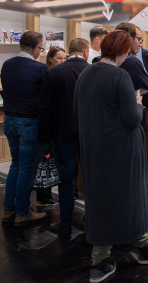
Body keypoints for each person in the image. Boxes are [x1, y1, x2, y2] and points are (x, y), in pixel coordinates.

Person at [75, 30, 148, 282]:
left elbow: (78, 110)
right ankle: (141, 248)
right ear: (122, 50)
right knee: (131, 197)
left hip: (94, 150)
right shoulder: (119, 76)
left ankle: (101, 257)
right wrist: (138, 102)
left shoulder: (87, 72)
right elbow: (132, 118)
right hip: (122, 150)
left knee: (101, 200)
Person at [37, 38, 89, 238]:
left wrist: (44, 137)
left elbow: (45, 108)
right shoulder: (93, 71)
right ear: (85, 52)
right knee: (91, 179)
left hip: (62, 134)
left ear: (69, 52)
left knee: (66, 181)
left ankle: (65, 221)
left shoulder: (53, 73)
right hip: (88, 135)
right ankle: (92, 220)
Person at [1, 31, 48, 226]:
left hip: (9, 119)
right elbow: (46, 98)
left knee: (16, 164)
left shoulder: (7, 65)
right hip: (28, 121)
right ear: (36, 49)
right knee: (26, 168)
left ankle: (8, 210)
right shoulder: (39, 68)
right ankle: (22, 211)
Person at [35, 45, 68, 205]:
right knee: (45, 161)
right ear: (50, 59)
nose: (62, 61)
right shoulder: (47, 74)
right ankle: (43, 194)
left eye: (64, 58)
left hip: (59, 126)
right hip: (49, 127)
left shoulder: (61, 75)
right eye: (59, 58)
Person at [115, 22, 148, 127]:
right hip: (131, 122)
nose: (140, 43)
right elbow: (146, 90)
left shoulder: (108, 61)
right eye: (138, 39)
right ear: (129, 38)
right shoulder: (131, 62)